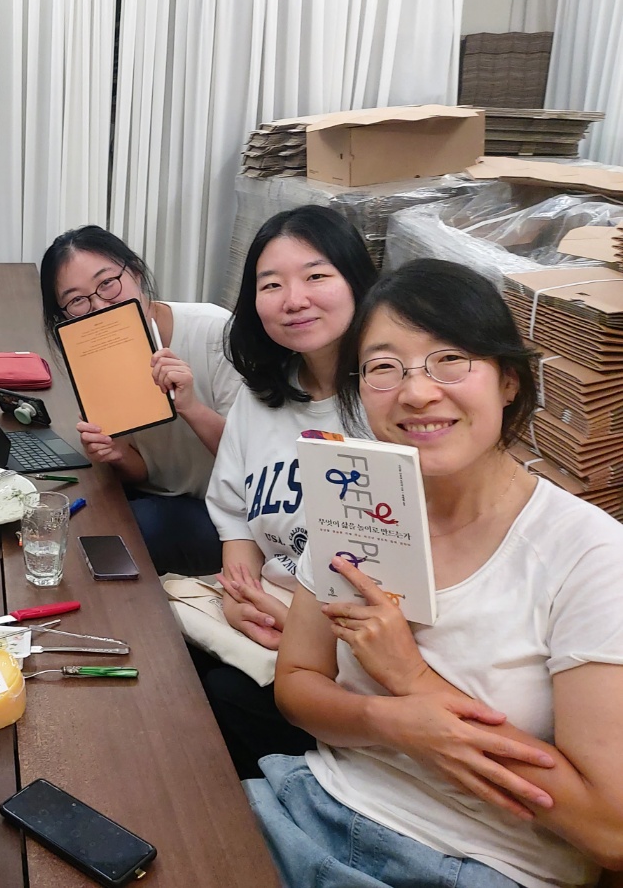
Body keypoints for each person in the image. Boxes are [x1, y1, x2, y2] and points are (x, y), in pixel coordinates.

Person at [252, 259, 623, 888]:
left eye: (450, 360)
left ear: (509, 381)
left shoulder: (589, 556)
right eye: (384, 367)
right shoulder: (355, 505)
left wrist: (411, 678)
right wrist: (391, 723)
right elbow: (297, 684)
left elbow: (609, 830)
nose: (417, 393)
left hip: (476, 866)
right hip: (313, 802)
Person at [201, 206, 378, 778]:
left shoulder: (390, 406)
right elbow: (234, 513)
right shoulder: (260, 397)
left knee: (211, 700)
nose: (293, 299)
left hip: (348, 646)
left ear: (357, 281)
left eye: (316, 275)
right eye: (271, 284)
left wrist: (296, 624)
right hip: (265, 616)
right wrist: (239, 594)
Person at [39, 226, 243, 576]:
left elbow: (252, 462)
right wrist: (117, 454)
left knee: (107, 537)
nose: (99, 305)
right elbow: (147, 472)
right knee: (65, 515)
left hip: (226, 516)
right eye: (77, 301)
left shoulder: (216, 331)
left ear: (134, 272)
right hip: (155, 497)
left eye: (107, 283)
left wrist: (191, 407)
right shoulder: (93, 353)